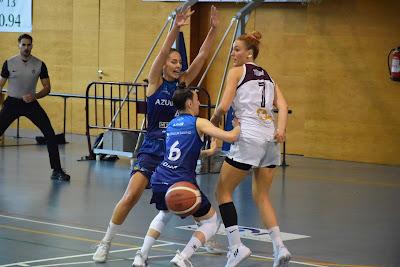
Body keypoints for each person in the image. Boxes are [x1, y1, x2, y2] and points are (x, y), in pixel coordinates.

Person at [93, 6, 221, 262]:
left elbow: (202, 57)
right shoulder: (155, 82)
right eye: (173, 61)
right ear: (163, 64)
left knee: (187, 196)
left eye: (179, 62)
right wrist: (176, 27)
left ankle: (205, 237)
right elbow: (163, 51)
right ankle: (105, 242)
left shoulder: (182, 85)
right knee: (130, 196)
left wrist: (214, 30)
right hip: (152, 148)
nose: (178, 64)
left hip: (175, 150)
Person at [132, 86, 240, 267]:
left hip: (160, 177)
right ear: (189, 103)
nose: (199, 102)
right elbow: (230, 138)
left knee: (163, 214)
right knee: (212, 222)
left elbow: (182, 153)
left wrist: (209, 152)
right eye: (197, 99)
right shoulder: (199, 122)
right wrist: (238, 127)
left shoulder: (172, 124)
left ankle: (141, 255)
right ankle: (183, 257)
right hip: (180, 180)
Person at [210, 31, 291, 267]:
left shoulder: (237, 72)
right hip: (270, 138)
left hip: (249, 138)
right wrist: (282, 130)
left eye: (236, 49)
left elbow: (224, 106)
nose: (232, 53)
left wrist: (210, 125)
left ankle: (236, 247)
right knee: (262, 196)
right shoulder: (268, 77)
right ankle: (280, 247)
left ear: (249, 53)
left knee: (222, 192)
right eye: (232, 49)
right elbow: (283, 106)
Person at [0, 34, 70, 182]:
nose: (26, 48)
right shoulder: (9, 63)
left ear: (32, 46)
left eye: (29, 45)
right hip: (12, 103)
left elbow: (47, 87)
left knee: (49, 133)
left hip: (30, 104)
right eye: (23, 45)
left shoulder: (39, 64)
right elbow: (0, 85)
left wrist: (35, 96)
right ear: (18, 45)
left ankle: (57, 170)